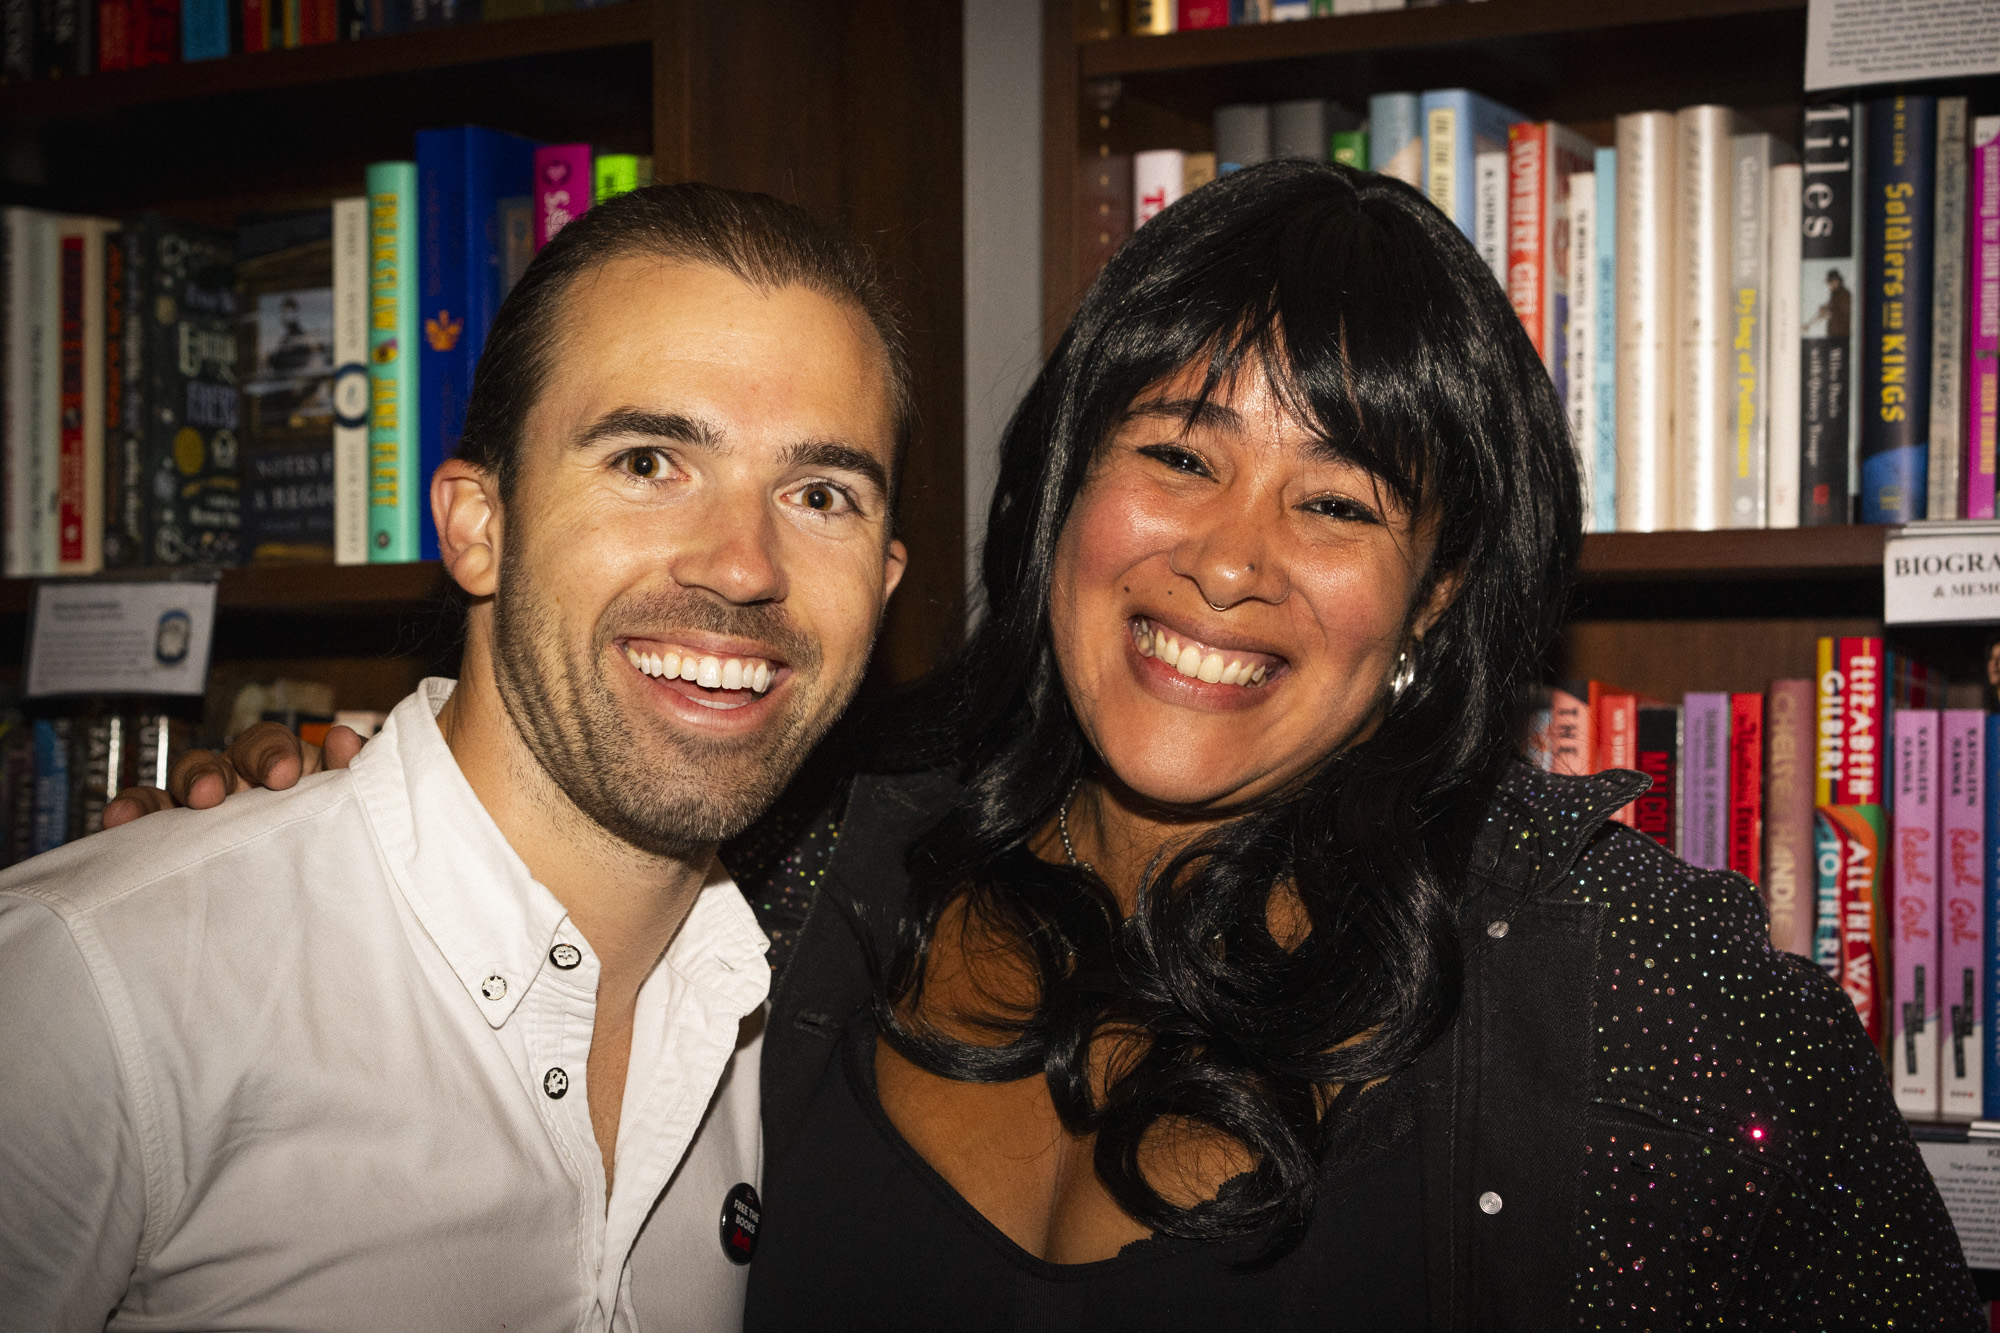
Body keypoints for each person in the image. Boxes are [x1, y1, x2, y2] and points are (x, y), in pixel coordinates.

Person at [112, 161, 1984, 1329]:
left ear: (1433, 601)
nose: (1229, 558)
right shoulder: (801, 869)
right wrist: (307, 821)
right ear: (1056, 497)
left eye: (1338, 501)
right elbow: (501, 852)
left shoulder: (1640, 994)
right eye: (1174, 453)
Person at [0, 185, 910, 1330]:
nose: (741, 565)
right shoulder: (95, 990)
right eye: (646, 462)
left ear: (880, 588)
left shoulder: (814, 1020)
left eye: (820, 493)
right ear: (478, 524)